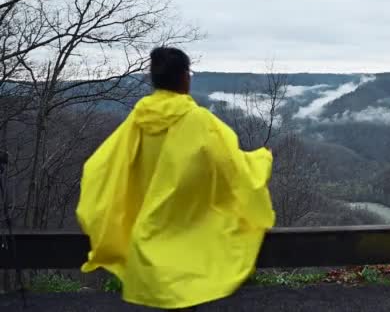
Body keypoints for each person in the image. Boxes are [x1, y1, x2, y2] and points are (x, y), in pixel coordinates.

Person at [75, 47, 275, 311]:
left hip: (146, 243)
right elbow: (233, 168)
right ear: (184, 77)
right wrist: (262, 160)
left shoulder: (139, 119)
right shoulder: (199, 120)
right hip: (191, 242)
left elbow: (99, 167)